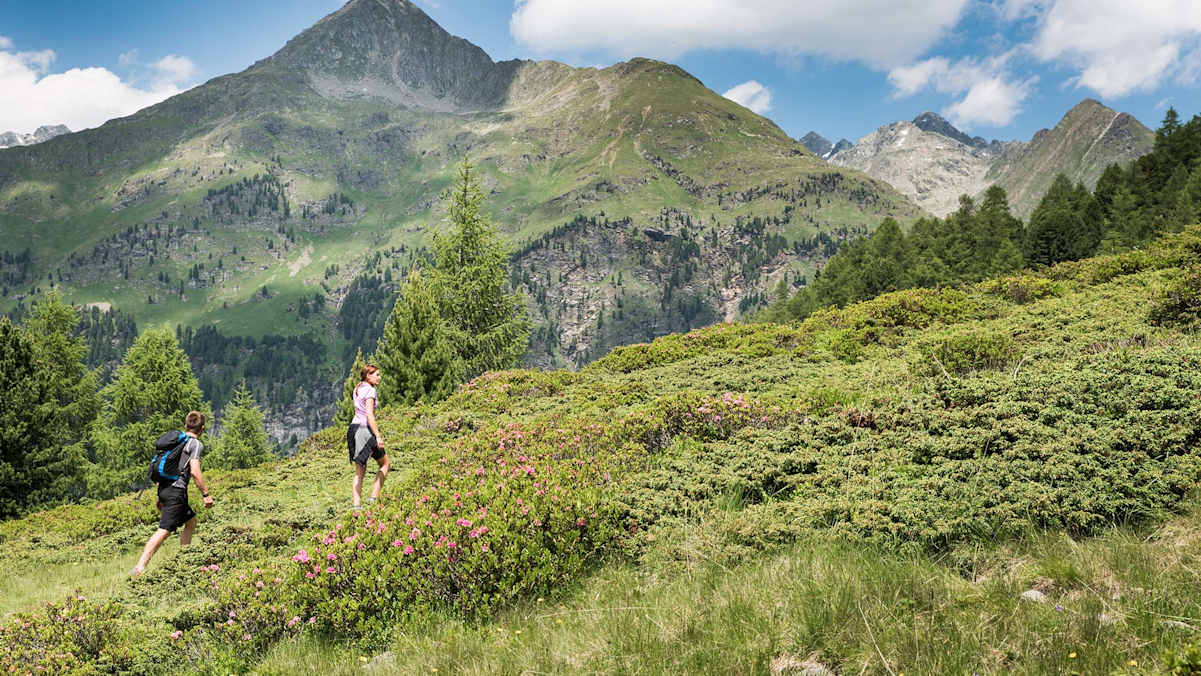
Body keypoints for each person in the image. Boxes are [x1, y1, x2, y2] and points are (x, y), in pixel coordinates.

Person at [131, 410, 213, 576]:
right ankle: (139, 567)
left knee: (190, 521)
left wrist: (161, 495)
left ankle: (184, 561)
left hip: (165, 489)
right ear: (202, 429)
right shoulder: (195, 444)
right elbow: (195, 472)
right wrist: (206, 494)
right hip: (176, 492)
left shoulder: (176, 442)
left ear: (186, 425)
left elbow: (162, 467)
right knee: (164, 529)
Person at [347, 364, 389, 510]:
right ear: (368, 376)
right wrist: (377, 435)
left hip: (353, 429)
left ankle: (356, 507)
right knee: (385, 464)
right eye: (377, 374)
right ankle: (373, 499)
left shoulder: (357, 389)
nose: (379, 377)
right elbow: (369, 415)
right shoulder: (370, 391)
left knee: (359, 471)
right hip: (365, 430)